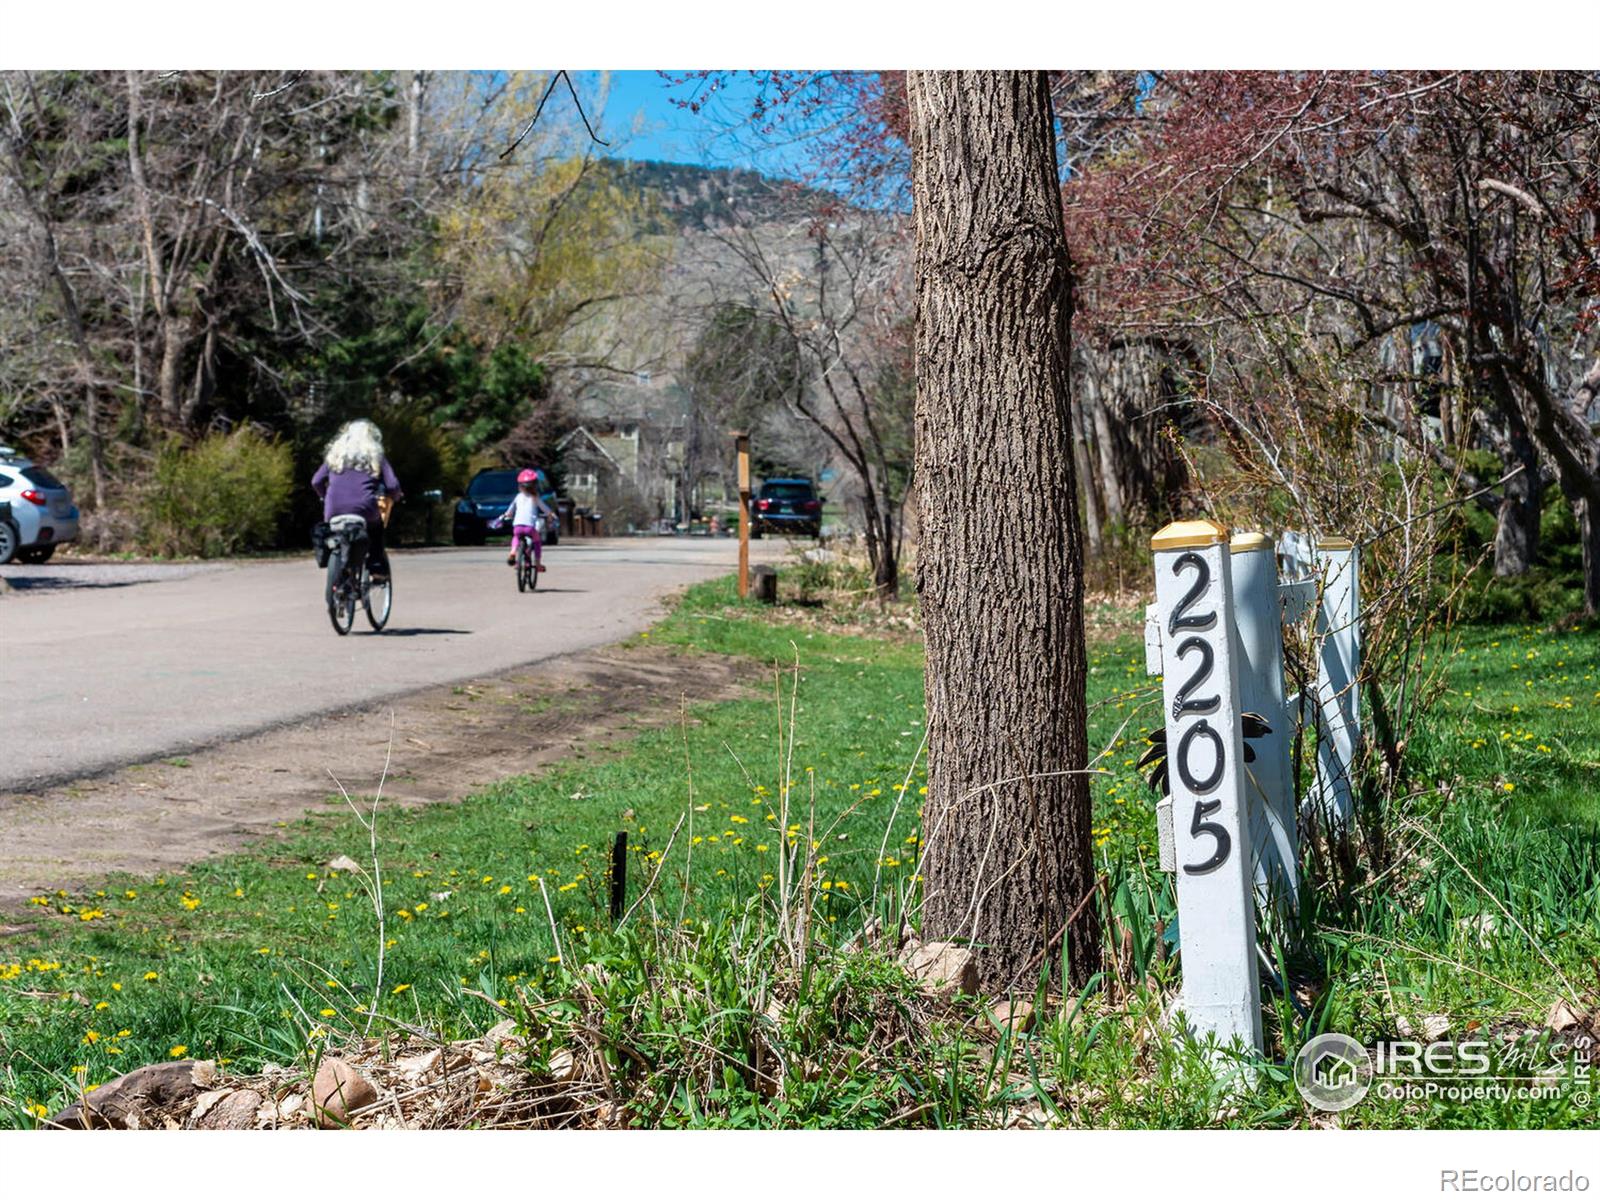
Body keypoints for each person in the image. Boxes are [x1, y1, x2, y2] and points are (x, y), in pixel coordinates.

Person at [311, 419, 402, 582]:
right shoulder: (376, 457)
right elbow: (393, 485)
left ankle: (337, 568)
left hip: (333, 510)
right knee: (376, 530)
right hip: (364, 510)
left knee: (334, 534)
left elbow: (316, 481)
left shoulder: (334, 458)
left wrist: (326, 497)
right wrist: (395, 496)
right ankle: (376, 569)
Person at [492, 468, 556, 572]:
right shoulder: (535, 498)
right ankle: (538, 564)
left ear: (520, 486)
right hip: (530, 527)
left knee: (516, 537)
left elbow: (510, 511)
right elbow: (545, 509)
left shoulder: (518, 497)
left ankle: (513, 553)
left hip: (517, 526)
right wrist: (551, 514)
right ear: (535, 485)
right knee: (537, 541)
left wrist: (506, 516)